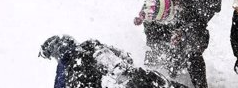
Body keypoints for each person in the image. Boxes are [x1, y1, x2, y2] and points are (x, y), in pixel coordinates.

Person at [39, 35, 188, 88]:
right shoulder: (91, 46)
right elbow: (124, 57)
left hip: (120, 79)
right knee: (152, 80)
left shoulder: (70, 70)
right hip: (132, 76)